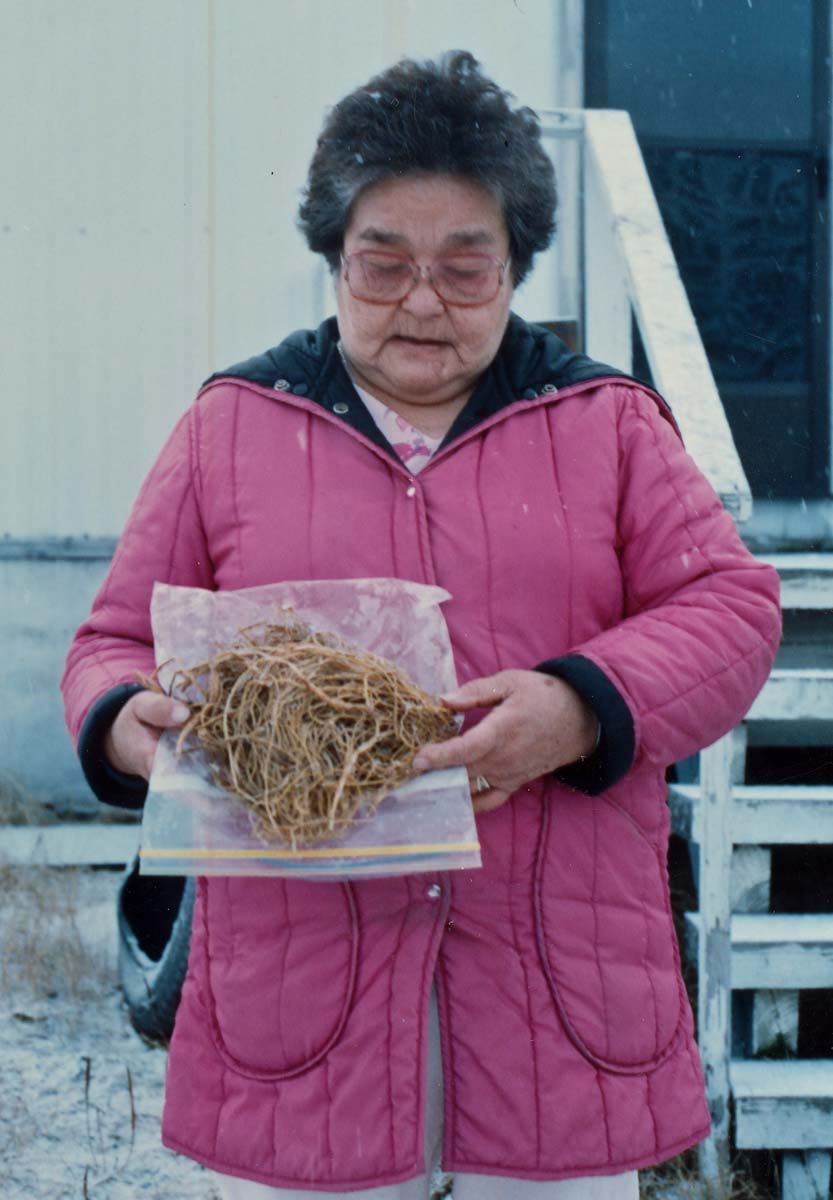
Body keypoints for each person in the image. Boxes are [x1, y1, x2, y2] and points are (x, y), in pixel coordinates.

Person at [62, 52, 781, 1199]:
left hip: (554, 1004)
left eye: (464, 267)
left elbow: (731, 607)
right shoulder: (230, 427)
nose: (420, 301)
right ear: (333, 264)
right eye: (382, 263)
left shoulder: (606, 425)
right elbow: (111, 645)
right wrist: (127, 726)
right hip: (302, 1013)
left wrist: (573, 707)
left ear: (514, 271)